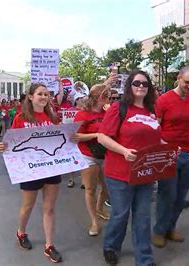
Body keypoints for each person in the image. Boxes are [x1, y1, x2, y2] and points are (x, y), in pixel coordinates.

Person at [0, 83, 65, 263]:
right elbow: (11, 142)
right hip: (30, 169)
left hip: (51, 168)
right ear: (31, 97)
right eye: (40, 94)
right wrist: (1, 146)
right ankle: (21, 232)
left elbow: (60, 139)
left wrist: (71, 137)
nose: (44, 97)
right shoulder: (20, 118)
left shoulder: (53, 117)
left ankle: (49, 246)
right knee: (28, 206)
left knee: (49, 208)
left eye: (47, 94)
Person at [98, 70, 160, 266]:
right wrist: (124, 150)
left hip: (145, 173)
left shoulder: (152, 111)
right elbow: (102, 137)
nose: (141, 86)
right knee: (121, 214)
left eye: (144, 84)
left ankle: (144, 258)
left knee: (142, 217)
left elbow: (155, 139)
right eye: (136, 83)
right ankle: (110, 246)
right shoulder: (119, 108)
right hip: (119, 173)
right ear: (129, 86)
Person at [152, 66, 189, 248]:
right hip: (167, 153)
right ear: (179, 78)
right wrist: (161, 146)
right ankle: (159, 230)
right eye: (187, 82)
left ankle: (170, 227)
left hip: (187, 153)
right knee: (167, 194)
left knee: (181, 196)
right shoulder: (163, 100)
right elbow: (155, 127)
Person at [74, 84, 111, 236]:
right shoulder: (82, 115)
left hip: (106, 155)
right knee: (90, 189)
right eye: (107, 96)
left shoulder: (108, 112)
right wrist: (96, 136)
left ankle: (100, 208)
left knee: (108, 187)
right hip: (88, 155)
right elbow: (75, 136)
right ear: (98, 97)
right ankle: (94, 221)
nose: (109, 99)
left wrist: (111, 115)